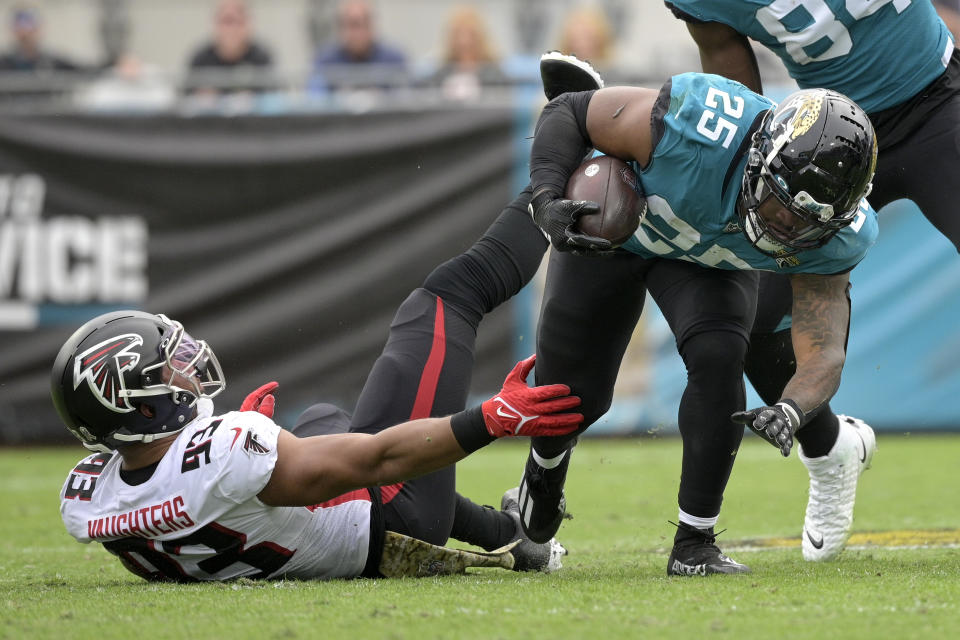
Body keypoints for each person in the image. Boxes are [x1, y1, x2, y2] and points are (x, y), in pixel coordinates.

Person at [54, 194, 582, 582]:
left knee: (320, 418)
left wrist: (238, 452)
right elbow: (376, 460)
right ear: (144, 410)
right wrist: (489, 419)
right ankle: (544, 199)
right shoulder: (224, 454)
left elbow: (185, 491)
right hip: (393, 516)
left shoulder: (90, 500)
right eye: (169, 369)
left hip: (315, 539)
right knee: (446, 299)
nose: (187, 368)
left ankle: (508, 534)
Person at [517, 56, 878, 576]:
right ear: (762, 160)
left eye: (806, 224)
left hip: (708, 258)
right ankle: (544, 471)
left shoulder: (838, 233)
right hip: (620, 230)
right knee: (574, 399)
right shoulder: (696, 122)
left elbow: (823, 352)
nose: (784, 231)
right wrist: (546, 197)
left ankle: (694, 544)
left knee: (719, 354)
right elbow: (570, 109)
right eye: (779, 208)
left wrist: (792, 411)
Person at [664, 0, 958, 561]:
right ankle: (829, 451)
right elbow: (730, 67)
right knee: (748, 317)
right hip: (826, 145)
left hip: (940, 102)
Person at [309, 0, 407, 95]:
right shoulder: (326, 61)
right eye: (351, 25)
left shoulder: (393, 60)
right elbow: (314, 99)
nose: (356, 33)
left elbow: (406, 97)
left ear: (371, 25)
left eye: (360, 24)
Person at [185, 0, 273, 96]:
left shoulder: (262, 59)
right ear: (216, 23)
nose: (232, 29)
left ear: (248, 24)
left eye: (238, 21)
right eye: (227, 21)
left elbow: (275, 98)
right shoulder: (200, 60)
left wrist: (254, 102)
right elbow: (183, 100)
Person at [429, 4, 508, 101]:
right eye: (458, 34)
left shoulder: (496, 76)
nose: (464, 41)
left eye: (470, 34)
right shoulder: (439, 76)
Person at [0, 6, 80, 72]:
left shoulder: (54, 63)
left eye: (30, 32)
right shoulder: (5, 64)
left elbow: (83, 72)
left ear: (38, 30)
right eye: (22, 34)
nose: (26, 35)